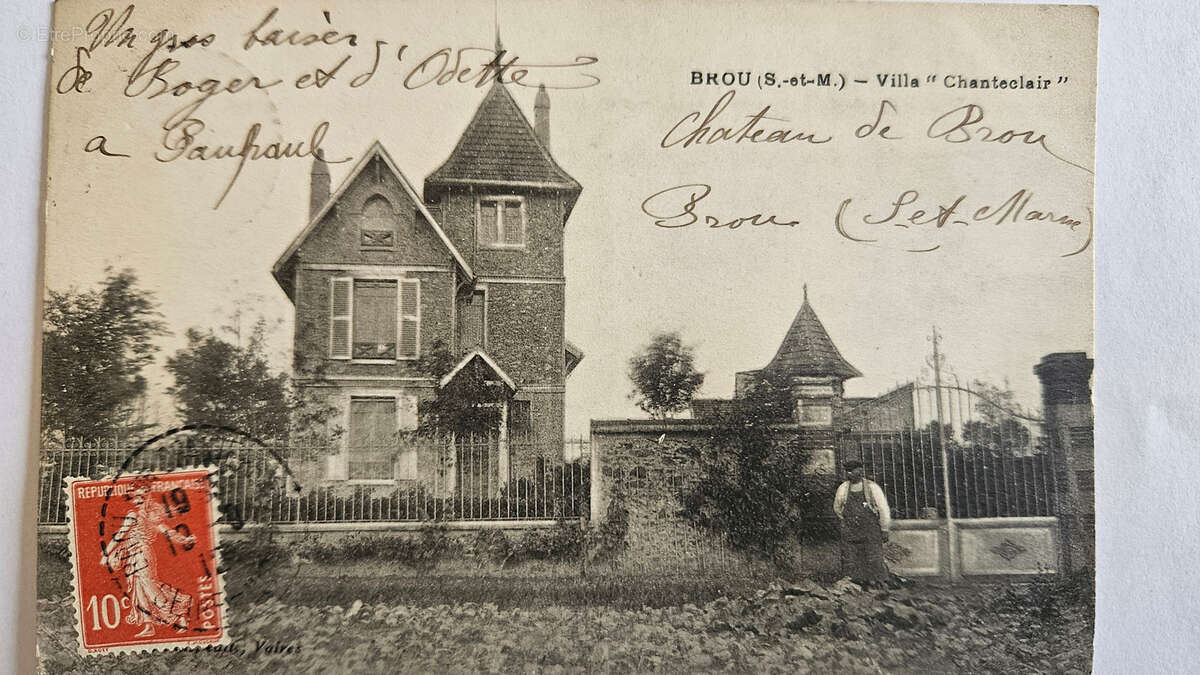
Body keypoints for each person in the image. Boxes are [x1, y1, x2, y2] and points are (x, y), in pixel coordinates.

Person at [833, 459, 891, 586]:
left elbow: (883, 508)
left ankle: (878, 584)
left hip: (870, 529)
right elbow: (837, 508)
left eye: (852, 471)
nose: (849, 474)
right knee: (851, 557)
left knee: (873, 556)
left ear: (860, 471)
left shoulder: (872, 487)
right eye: (847, 471)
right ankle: (855, 585)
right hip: (850, 530)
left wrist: (884, 528)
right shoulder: (843, 488)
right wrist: (847, 520)